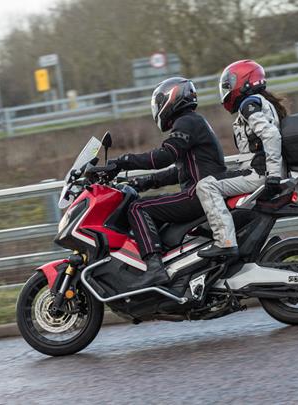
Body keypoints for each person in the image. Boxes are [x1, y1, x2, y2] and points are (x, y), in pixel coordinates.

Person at [109, 77, 226, 288]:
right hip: (203, 190)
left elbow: (165, 156)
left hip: (199, 194)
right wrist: (143, 182)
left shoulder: (187, 122)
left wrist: (123, 161)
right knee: (148, 204)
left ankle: (155, 269)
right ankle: (171, 262)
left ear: (171, 98)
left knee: (137, 208)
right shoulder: (193, 121)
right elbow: (179, 171)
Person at [196, 60, 288, 258]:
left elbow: (270, 135)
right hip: (261, 170)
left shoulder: (250, 104)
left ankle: (225, 242)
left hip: (259, 173)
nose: (227, 91)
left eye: (229, 85)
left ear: (244, 81)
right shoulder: (262, 103)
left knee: (206, 186)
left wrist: (273, 175)